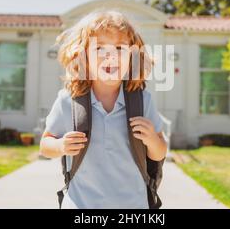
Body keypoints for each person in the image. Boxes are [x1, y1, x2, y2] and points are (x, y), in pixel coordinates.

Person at [40, 11, 167, 209]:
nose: (111, 56)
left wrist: (152, 140)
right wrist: (61, 146)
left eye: (119, 48)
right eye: (99, 48)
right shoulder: (68, 101)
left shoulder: (142, 101)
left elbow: (159, 153)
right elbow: (45, 145)